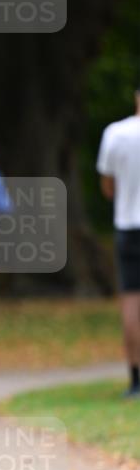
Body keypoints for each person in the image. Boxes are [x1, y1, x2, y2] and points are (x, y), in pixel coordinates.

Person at [97, 90, 140, 398]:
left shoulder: (116, 133)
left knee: (131, 303)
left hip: (128, 225)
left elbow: (108, 186)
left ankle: (136, 379)